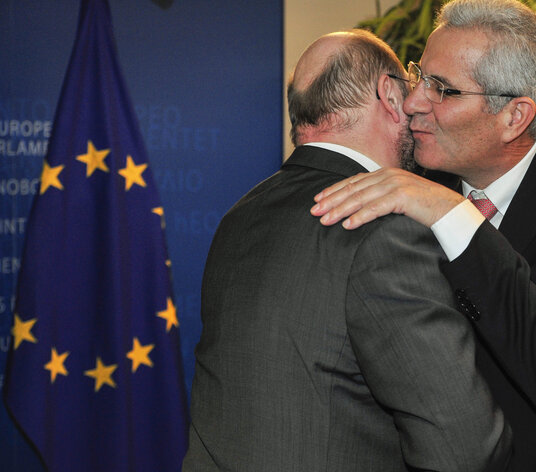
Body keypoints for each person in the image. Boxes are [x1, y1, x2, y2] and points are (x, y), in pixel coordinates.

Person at [311, 0, 536, 472]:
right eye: (419, 75)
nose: (413, 102)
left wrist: (455, 215)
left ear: (514, 116)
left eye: (443, 89)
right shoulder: (418, 180)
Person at [182, 29, 510, 472]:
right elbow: (462, 445)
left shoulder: (241, 214)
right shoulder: (385, 229)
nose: (417, 106)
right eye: (411, 89)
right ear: (389, 96)